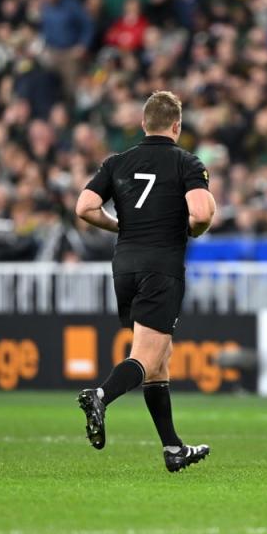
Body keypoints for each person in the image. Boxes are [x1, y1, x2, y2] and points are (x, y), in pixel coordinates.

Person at [75, 90, 216, 472]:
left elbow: (84, 207)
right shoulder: (186, 163)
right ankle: (100, 395)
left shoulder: (118, 161)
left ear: (142, 124)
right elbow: (201, 213)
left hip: (124, 266)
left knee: (160, 359)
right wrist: (196, 229)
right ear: (177, 126)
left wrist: (116, 224)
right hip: (161, 267)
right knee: (146, 357)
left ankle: (173, 448)